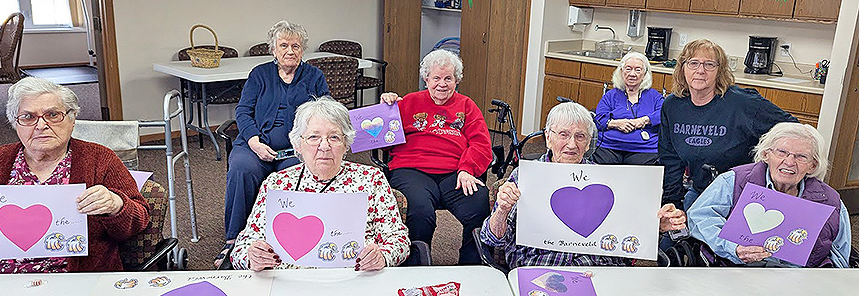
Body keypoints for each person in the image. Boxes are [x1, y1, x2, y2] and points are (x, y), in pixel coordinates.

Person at [479, 102, 686, 269]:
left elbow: (627, 233)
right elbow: (492, 239)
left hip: (598, 269)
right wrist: (502, 210)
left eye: (580, 136)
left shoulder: (608, 179)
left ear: (588, 143)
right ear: (548, 139)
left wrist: (655, 227)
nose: (571, 144)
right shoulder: (525, 176)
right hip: (542, 267)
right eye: (563, 135)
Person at [230, 97, 410, 271]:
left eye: (334, 137)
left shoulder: (371, 180)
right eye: (314, 137)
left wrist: (382, 256)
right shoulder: (277, 184)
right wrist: (252, 257)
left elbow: (399, 240)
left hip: (354, 281)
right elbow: (240, 249)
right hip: (289, 284)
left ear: (346, 144)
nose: (324, 146)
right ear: (298, 145)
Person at [0, 77, 150, 273]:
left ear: (72, 120)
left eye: (53, 115)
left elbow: (138, 222)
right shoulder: (0, 159)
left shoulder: (100, 159)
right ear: (15, 124)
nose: (41, 125)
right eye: (28, 117)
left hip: (80, 279)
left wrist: (115, 205)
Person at [220, 20, 330, 267]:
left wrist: (308, 142)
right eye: (284, 45)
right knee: (241, 169)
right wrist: (254, 141)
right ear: (273, 49)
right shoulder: (260, 74)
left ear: (302, 50)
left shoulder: (314, 76)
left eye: (296, 46)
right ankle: (233, 240)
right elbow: (243, 111)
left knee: (296, 176)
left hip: (296, 150)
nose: (290, 51)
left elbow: (327, 111)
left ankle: (288, 242)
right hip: (255, 144)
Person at [379, 49, 492, 265]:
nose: (442, 84)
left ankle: (471, 267)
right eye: (436, 78)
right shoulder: (408, 102)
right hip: (412, 170)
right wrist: (387, 108)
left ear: (456, 80)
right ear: (426, 79)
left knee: (479, 204)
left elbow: (481, 143)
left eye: (448, 78)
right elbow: (382, 136)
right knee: (419, 212)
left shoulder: (467, 105)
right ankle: (415, 266)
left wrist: (467, 169)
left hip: (455, 172)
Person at [687, 122, 851, 267]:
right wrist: (733, 248)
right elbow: (700, 217)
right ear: (766, 154)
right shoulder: (734, 180)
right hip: (737, 271)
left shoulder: (830, 200)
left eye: (801, 157)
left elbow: (839, 255)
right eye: (782, 152)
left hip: (801, 281)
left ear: (812, 165)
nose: (789, 162)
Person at [659, 39, 797, 211]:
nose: (700, 71)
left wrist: (768, 155)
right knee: (673, 236)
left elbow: (793, 129)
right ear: (682, 68)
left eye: (709, 64)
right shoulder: (673, 105)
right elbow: (670, 159)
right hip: (701, 191)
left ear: (720, 71)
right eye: (693, 63)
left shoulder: (743, 103)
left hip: (741, 196)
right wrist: (672, 203)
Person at [593, 52, 663, 165]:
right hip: (610, 146)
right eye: (628, 69)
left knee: (637, 171)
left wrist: (643, 120)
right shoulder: (611, 95)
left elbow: (664, 114)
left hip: (644, 149)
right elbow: (598, 119)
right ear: (621, 72)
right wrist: (615, 123)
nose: (632, 74)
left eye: (638, 70)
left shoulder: (654, 96)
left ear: (645, 74)